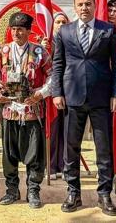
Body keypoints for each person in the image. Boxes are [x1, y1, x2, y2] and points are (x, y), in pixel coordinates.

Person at [52, 0, 116, 215]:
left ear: (94, 5)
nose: (84, 8)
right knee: (71, 147)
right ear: (75, 7)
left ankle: (104, 194)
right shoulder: (64, 31)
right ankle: (73, 192)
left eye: (88, 3)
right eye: (80, 4)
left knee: (104, 148)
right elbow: (58, 64)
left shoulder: (108, 30)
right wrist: (56, 92)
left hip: (101, 98)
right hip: (72, 97)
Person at [0, 12, 52, 208]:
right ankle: (11, 190)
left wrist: (41, 93)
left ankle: (33, 190)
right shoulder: (3, 51)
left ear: (29, 31)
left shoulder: (40, 52)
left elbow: (52, 76)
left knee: (35, 152)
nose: (16, 33)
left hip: (32, 109)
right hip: (9, 110)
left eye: (20, 29)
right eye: (13, 29)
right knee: (9, 152)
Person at [41, 11, 69, 179]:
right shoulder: (45, 45)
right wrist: (44, 50)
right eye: (57, 22)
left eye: (63, 22)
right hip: (51, 94)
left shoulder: (72, 41)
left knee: (66, 132)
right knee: (52, 130)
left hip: (70, 92)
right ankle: (51, 166)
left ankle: (65, 166)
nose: (60, 25)